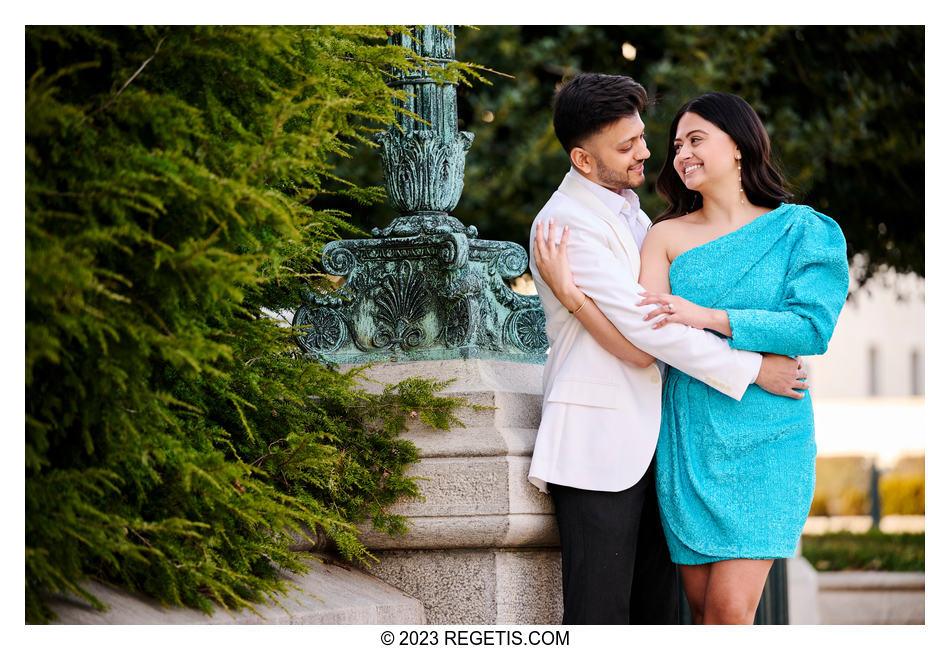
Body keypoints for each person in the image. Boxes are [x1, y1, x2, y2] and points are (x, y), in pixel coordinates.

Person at [532, 89, 849, 625]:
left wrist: (708, 316)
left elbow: (811, 328)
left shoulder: (805, 231)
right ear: (584, 159)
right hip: (688, 438)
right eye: (677, 144)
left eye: (692, 140)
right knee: (697, 613)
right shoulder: (660, 233)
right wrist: (573, 299)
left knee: (727, 612)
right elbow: (646, 338)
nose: (672, 154)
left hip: (767, 432)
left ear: (741, 146)